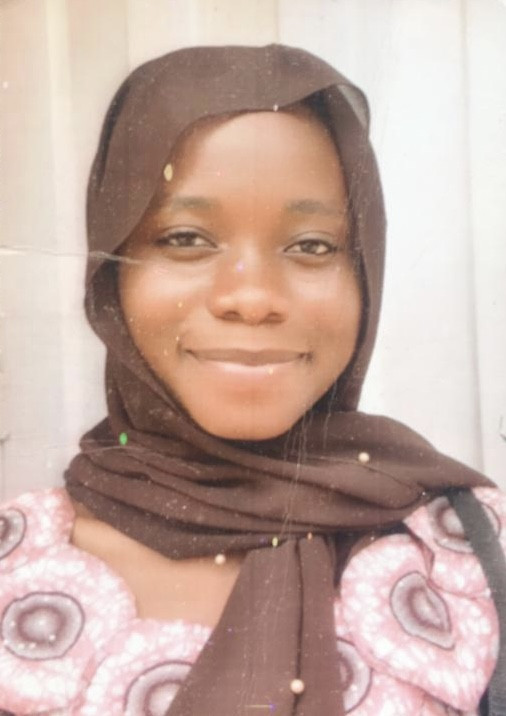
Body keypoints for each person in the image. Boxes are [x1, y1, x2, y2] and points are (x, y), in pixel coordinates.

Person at [0, 44, 503, 716]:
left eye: (312, 246)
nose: (253, 297)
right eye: (185, 239)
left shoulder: (467, 557)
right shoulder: (19, 565)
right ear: (112, 276)